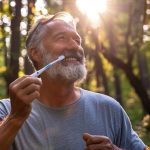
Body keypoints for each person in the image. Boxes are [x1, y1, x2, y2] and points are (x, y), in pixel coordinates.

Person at [0, 11, 148, 150]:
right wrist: (14, 118)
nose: (75, 46)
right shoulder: (6, 110)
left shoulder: (109, 108)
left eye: (77, 40)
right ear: (36, 53)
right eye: (61, 38)